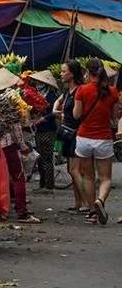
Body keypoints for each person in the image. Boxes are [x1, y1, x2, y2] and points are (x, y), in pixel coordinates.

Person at [0, 67, 41, 223]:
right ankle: (22, 211)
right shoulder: (8, 101)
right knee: (18, 176)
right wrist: (22, 145)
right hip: (7, 144)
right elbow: (15, 127)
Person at [73, 58, 120, 225]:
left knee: (88, 177)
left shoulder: (81, 90)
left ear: (88, 72)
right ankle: (100, 200)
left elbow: (76, 115)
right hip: (103, 139)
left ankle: (92, 212)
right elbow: (115, 116)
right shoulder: (113, 91)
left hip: (84, 138)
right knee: (105, 178)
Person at [53, 60, 89, 214]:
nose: (61, 74)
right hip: (67, 133)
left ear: (72, 73)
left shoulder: (80, 90)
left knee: (75, 171)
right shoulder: (68, 92)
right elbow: (58, 102)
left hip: (76, 134)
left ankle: (88, 202)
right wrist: (56, 111)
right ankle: (78, 202)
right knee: (72, 170)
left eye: (63, 71)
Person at [28, 70, 59, 194]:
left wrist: (42, 119)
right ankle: (42, 183)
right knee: (40, 158)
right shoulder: (36, 94)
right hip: (38, 130)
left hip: (48, 129)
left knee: (46, 157)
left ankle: (49, 185)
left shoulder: (51, 95)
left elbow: (54, 113)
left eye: (39, 82)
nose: (37, 83)